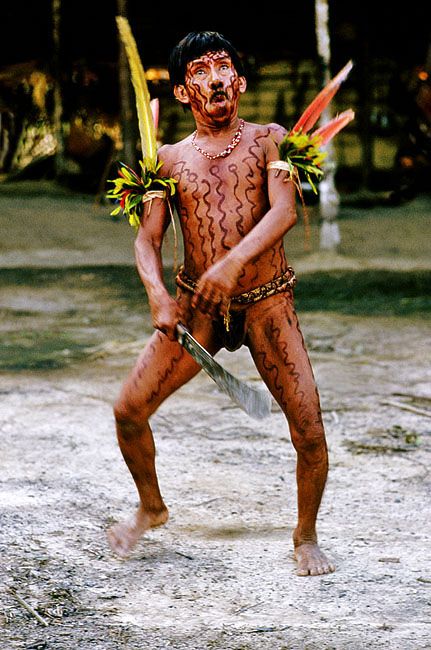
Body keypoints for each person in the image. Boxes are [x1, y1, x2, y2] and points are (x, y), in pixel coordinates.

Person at [107, 31, 335, 576]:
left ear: (240, 82)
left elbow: (282, 213)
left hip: (265, 302)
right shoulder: (168, 159)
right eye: (201, 71)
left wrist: (233, 262)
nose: (214, 78)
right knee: (128, 411)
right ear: (184, 92)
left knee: (309, 430)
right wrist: (158, 293)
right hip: (197, 308)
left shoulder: (270, 140)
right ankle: (151, 506)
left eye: (223, 67)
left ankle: (305, 535)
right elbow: (147, 240)